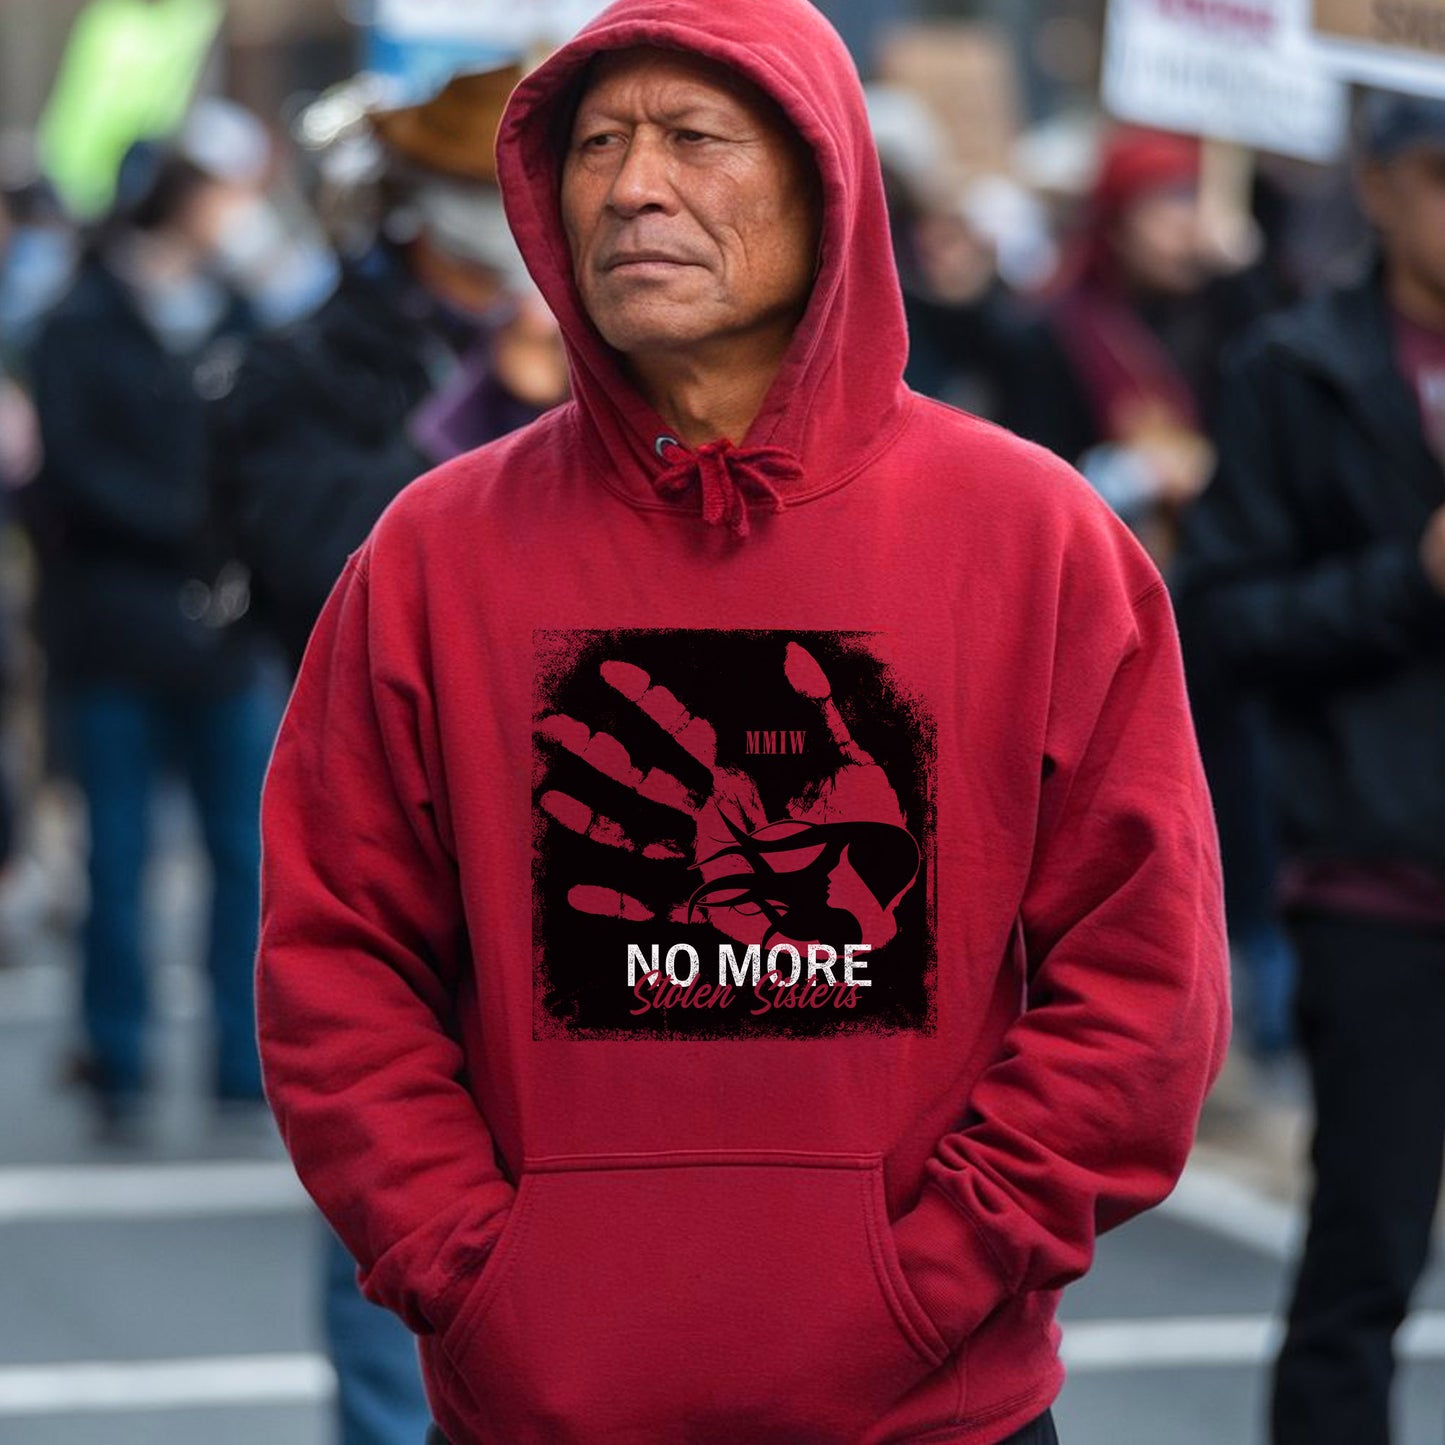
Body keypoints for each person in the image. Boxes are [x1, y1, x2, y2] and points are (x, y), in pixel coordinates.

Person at [256, 3, 1231, 1442]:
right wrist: (471, 1268)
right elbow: (337, 961)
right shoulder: (431, 552)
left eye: (694, 138)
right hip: (542, 1404)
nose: (633, 185)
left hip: (933, 1410)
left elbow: (1144, 979)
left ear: (825, 179)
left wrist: (940, 1267)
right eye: (595, 144)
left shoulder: (1033, 537)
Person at [1177, 91, 1445, 1445]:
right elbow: (1223, 620)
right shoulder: (1297, 364)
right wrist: (1411, 580)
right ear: (1381, 185)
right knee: (1363, 1259)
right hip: (1380, 877)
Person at [27, 134, 282, 1140]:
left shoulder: (244, 312)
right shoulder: (77, 322)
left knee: (242, 853)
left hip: (225, 634)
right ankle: (118, 1059)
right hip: (114, 628)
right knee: (119, 853)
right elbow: (71, 473)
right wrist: (196, 526)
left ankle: (239, 1058)